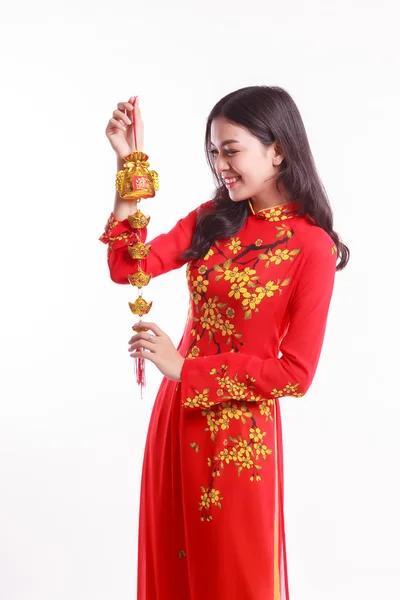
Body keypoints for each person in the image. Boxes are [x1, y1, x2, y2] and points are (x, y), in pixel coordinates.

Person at [99, 86, 349, 600]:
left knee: (233, 578)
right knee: (172, 570)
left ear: (278, 150)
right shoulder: (214, 220)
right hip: (177, 417)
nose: (220, 165)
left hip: (238, 437)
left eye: (231, 150)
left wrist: (184, 368)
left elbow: (295, 374)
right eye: (213, 152)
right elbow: (128, 265)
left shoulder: (312, 247)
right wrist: (128, 165)